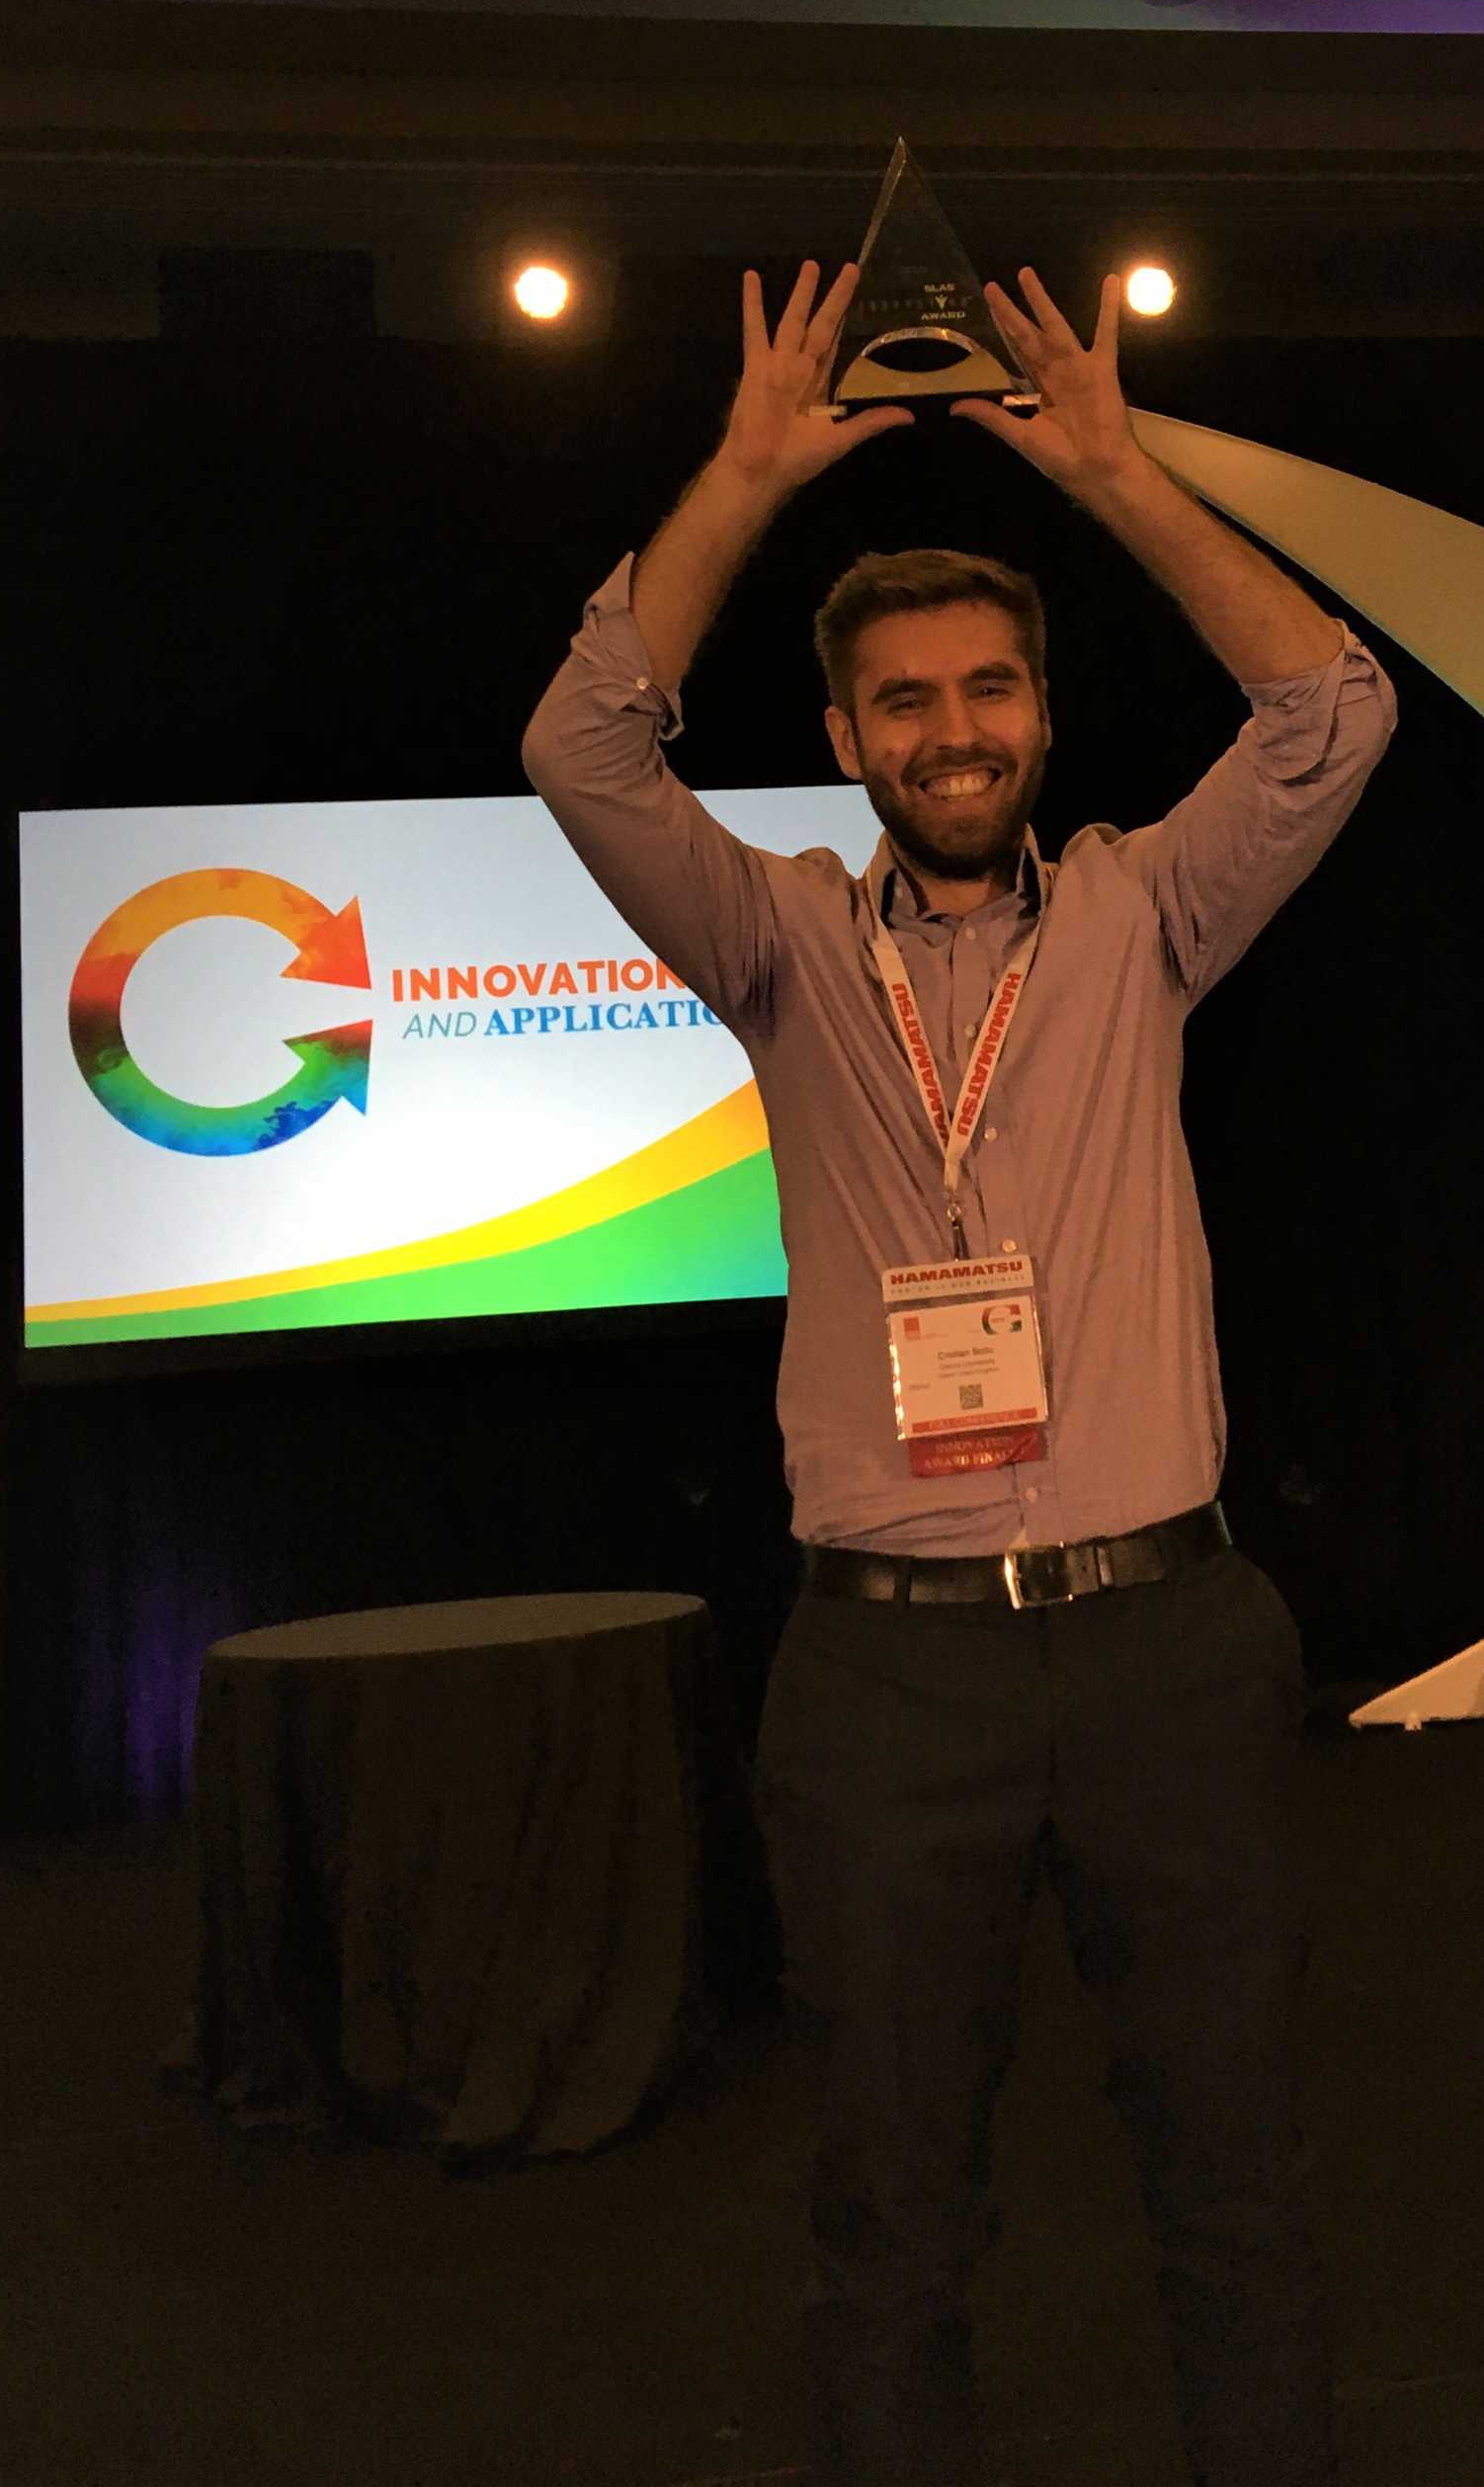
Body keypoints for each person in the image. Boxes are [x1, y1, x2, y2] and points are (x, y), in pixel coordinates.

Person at [522, 256, 1396, 2487]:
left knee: (1242, 2184)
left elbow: (1332, 713)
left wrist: (1116, 467)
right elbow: (581, 744)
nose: (953, 731)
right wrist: (735, 476)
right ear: (844, 739)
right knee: (893, 2209)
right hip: (888, 1681)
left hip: (1168, 1645)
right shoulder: (778, 942)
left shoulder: (1141, 917)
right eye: (903, 702)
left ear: (1039, 709)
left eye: (990, 688)